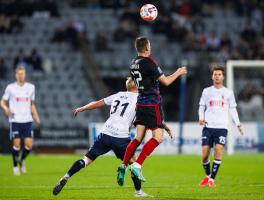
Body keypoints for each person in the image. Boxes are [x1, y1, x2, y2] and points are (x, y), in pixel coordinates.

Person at [52, 78, 170, 198]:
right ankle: (138, 192)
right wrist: (164, 126)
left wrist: (82, 108)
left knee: (86, 160)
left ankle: (66, 176)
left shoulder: (118, 95)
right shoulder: (140, 99)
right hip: (121, 137)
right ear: (137, 86)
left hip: (105, 133)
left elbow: (98, 103)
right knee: (134, 164)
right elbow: (152, 116)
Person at [117, 36, 187, 184]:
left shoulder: (133, 63)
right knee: (158, 137)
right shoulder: (150, 62)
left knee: (138, 138)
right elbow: (166, 81)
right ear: (147, 47)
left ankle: (123, 165)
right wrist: (179, 72)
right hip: (151, 103)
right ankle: (137, 165)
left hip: (140, 103)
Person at [198, 65, 244, 187]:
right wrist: (201, 117)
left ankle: (212, 179)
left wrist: (238, 123)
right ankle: (207, 176)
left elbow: (233, 109)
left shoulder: (228, 93)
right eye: (215, 74)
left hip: (222, 127)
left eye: (219, 74)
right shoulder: (206, 91)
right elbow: (202, 106)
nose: (217, 76)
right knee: (204, 155)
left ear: (223, 77)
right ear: (212, 76)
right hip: (208, 127)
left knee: (218, 151)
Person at [1, 66, 41, 175]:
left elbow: (32, 104)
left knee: (28, 146)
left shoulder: (31, 87)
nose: (21, 76)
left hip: (27, 120)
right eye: (19, 74)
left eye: (22, 74)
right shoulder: (10, 88)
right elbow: (2, 102)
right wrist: (6, 108)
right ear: (16, 75)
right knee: (17, 145)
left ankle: (21, 160)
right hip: (15, 120)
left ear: (25, 74)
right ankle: (15, 167)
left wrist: (36, 115)